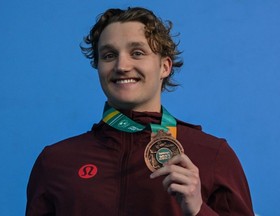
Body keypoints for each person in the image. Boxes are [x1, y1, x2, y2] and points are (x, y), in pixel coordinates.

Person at [26, 7, 254, 216]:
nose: (122, 65)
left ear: (165, 66)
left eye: (137, 53)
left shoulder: (212, 155)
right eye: (108, 55)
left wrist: (198, 210)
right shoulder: (56, 161)